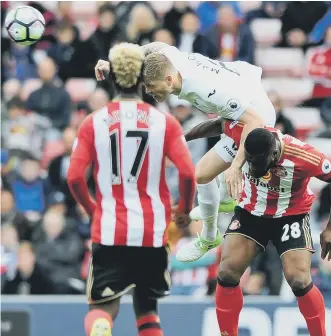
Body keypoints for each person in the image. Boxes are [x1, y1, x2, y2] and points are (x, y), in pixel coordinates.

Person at [94, 41, 276, 263]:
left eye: (151, 86)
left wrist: (236, 167)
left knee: (203, 174)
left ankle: (211, 234)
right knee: (203, 174)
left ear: (169, 80)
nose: (149, 91)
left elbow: (253, 121)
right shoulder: (171, 61)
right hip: (239, 92)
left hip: (258, 116)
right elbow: (157, 46)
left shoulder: (206, 90)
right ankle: (223, 204)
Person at [68, 43, 196, 336]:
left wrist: (91, 210)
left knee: (101, 307)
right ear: (142, 79)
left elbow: (75, 176)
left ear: (111, 77)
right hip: (152, 231)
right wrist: (184, 210)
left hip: (111, 228)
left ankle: (101, 330)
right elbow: (188, 172)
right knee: (147, 308)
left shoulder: (93, 122)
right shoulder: (166, 123)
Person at [190, 123, 331, 335]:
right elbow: (220, 123)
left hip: (290, 216)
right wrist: (184, 136)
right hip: (251, 212)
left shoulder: (306, 156)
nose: (255, 169)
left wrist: (330, 229)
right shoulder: (245, 134)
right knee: (227, 272)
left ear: (275, 153)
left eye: (260, 165)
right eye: (250, 163)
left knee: (299, 281)